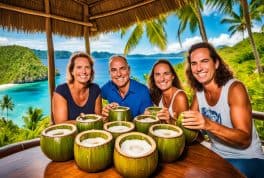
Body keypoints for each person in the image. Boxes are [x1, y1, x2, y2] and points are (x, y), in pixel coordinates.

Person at [182, 42, 264, 177]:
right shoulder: (199, 93)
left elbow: (244, 139)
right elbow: (191, 131)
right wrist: (171, 120)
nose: (198, 68)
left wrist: (207, 123)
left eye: (204, 61)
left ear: (216, 63)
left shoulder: (235, 89)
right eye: (194, 63)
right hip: (217, 156)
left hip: (248, 158)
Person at [52, 52, 102, 124]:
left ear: (91, 71)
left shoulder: (95, 89)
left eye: (87, 67)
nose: (84, 71)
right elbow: (61, 124)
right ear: (72, 71)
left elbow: (98, 118)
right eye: (79, 67)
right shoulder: (61, 91)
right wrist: (87, 121)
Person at [101, 55, 153, 120]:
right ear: (110, 73)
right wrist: (104, 110)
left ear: (129, 70)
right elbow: (93, 95)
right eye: (114, 70)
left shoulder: (143, 91)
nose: (119, 74)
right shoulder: (108, 87)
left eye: (122, 69)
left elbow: (148, 121)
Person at [148, 59, 189, 124]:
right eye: (158, 74)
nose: (162, 79)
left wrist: (170, 120)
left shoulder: (180, 97)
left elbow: (186, 130)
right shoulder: (159, 95)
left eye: (166, 74)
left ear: (173, 76)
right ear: (153, 78)